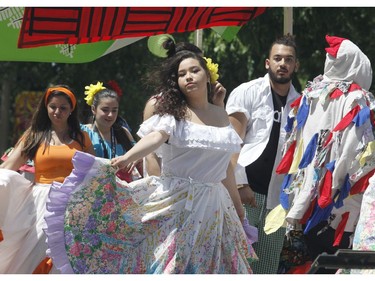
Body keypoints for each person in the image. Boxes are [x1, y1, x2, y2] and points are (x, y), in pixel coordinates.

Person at [43, 50, 257, 273]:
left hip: (215, 208)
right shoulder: (174, 114)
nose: (189, 77)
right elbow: (155, 138)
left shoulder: (221, 115)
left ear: (208, 75)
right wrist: (127, 157)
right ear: (177, 83)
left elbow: (224, 168)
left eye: (195, 70)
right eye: (182, 74)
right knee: (172, 267)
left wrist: (238, 207)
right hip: (177, 202)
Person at [271, 35, 375, 274]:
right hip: (338, 200)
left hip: (303, 191)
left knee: (305, 261)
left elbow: (293, 143)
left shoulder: (311, 92)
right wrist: (338, 184)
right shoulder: (356, 98)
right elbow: (355, 149)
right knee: (333, 263)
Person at [225, 33, 301, 274]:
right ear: (267, 63)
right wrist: (239, 184)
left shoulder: (301, 103)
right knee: (235, 262)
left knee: (267, 268)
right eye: (277, 58)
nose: (283, 64)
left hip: (277, 201)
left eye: (288, 59)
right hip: (246, 193)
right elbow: (231, 143)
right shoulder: (247, 92)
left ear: (295, 65)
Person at [0, 85, 95, 274]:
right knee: (37, 248)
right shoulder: (34, 135)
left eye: (63, 108)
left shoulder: (82, 138)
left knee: (66, 253)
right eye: (53, 106)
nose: (57, 112)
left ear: (71, 111)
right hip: (41, 201)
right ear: (46, 107)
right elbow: (7, 168)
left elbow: (93, 172)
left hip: (72, 202)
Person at [143, 39, 227, 177]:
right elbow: (150, 155)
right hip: (167, 184)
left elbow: (219, 149)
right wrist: (159, 189)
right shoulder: (156, 104)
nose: (191, 76)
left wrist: (218, 105)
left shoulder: (211, 103)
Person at [81, 81, 141, 181]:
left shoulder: (123, 132)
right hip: (91, 189)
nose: (110, 115)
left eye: (114, 110)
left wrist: (134, 158)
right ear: (93, 109)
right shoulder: (83, 132)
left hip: (122, 190)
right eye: (105, 110)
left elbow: (141, 155)